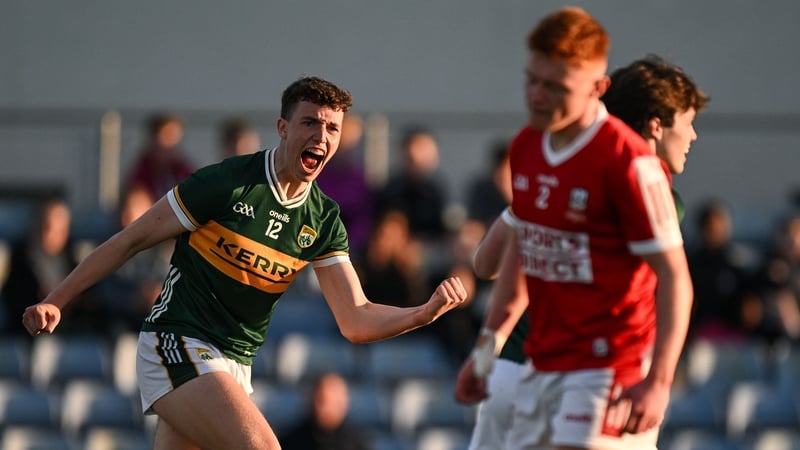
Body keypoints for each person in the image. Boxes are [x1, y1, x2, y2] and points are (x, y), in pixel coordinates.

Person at [22, 76, 467, 450]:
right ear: (282, 128)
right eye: (310, 123)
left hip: (235, 365)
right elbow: (129, 240)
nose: (322, 136)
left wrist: (423, 313)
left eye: (332, 128)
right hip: (178, 341)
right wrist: (57, 299)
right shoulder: (227, 183)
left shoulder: (323, 219)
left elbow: (355, 319)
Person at [454, 7, 694, 450]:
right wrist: (486, 351)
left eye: (555, 87)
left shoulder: (630, 163)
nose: (537, 96)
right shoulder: (526, 146)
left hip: (607, 368)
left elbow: (675, 277)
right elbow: (520, 256)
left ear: (598, 88)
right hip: (540, 365)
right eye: (532, 80)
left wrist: (660, 381)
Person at [280, 371, 369, 450]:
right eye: (318, 399)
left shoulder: (355, 444)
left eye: (323, 401)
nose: (319, 407)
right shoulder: (293, 441)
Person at [126, 112, 195, 201]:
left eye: (176, 137)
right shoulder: (143, 171)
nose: (173, 143)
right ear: (153, 138)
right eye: (168, 136)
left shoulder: (184, 170)